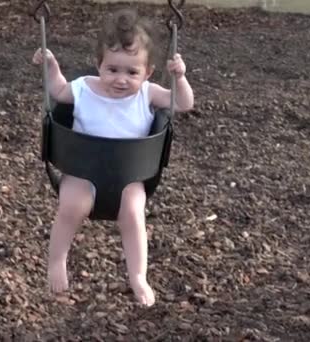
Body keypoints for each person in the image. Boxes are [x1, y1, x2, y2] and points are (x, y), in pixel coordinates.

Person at [32, 8, 194, 307]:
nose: (121, 80)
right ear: (99, 65)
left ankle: (138, 275)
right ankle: (57, 260)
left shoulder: (148, 94)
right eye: (113, 69)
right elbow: (57, 90)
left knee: (133, 213)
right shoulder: (83, 89)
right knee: (71, 206)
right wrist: (52, 66)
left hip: (128, 177)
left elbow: (183, 104)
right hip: (82, 172)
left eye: (132, 72)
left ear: (148, 72)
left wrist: (179, 78)